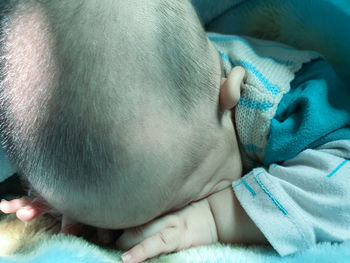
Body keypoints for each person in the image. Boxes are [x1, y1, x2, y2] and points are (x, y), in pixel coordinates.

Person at [0, 0, 349, 262]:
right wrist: (74, 203)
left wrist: (217, 217)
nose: (158, 228)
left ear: (227, 94)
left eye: (186, 199)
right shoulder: (162, 116)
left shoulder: (287, 106)